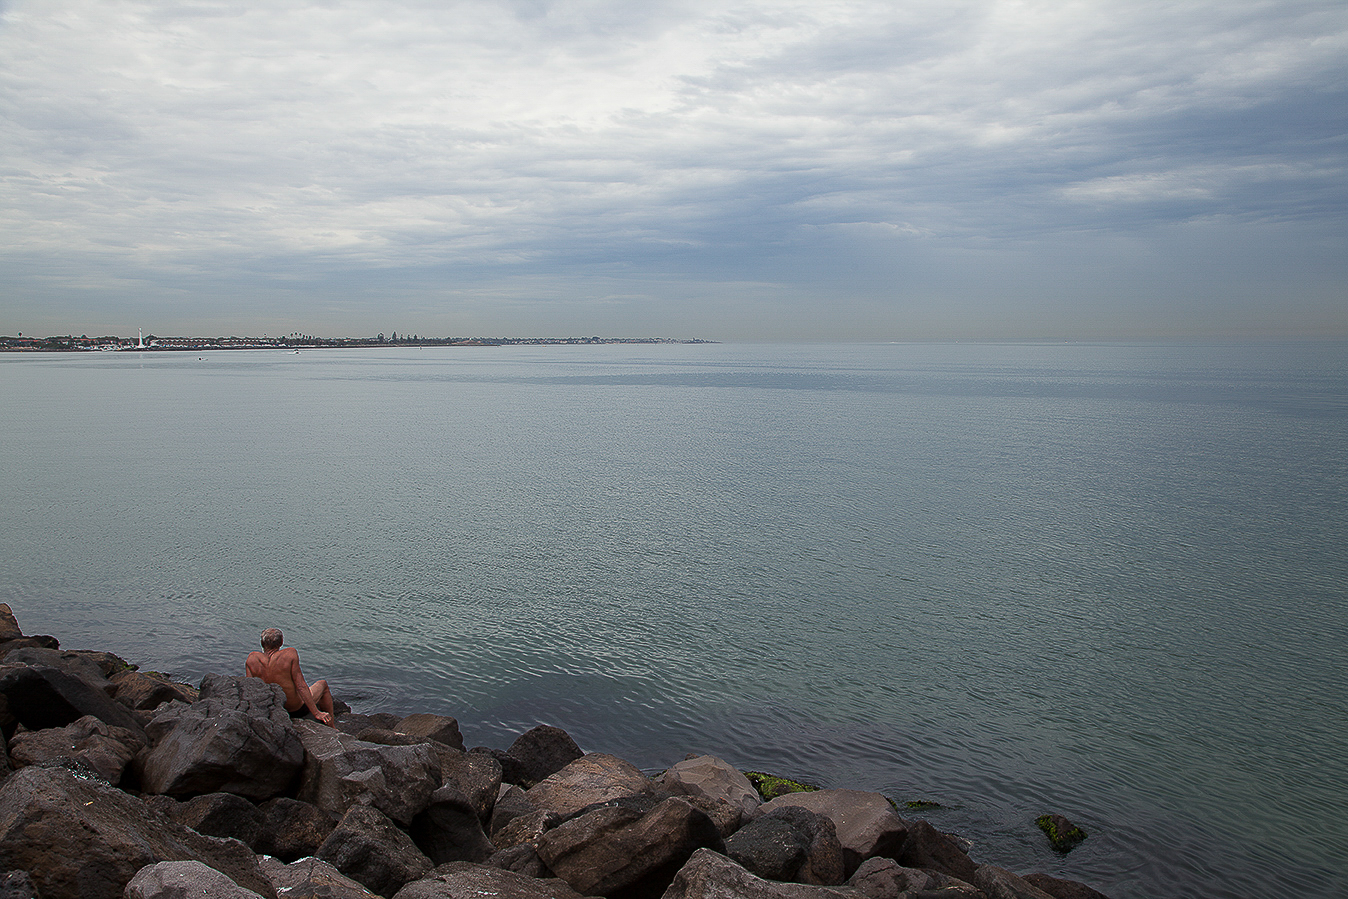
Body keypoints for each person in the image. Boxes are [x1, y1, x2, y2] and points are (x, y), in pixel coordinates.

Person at [245, 627, 335, 727]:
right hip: (294, 709)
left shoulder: (251, 659)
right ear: (281, 642)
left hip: (270, 708)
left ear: (262, 643)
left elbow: (250, 690)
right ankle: (332, 727)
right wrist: (316, 713)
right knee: (323, 684)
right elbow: (301, 686)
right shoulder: (289, 654)